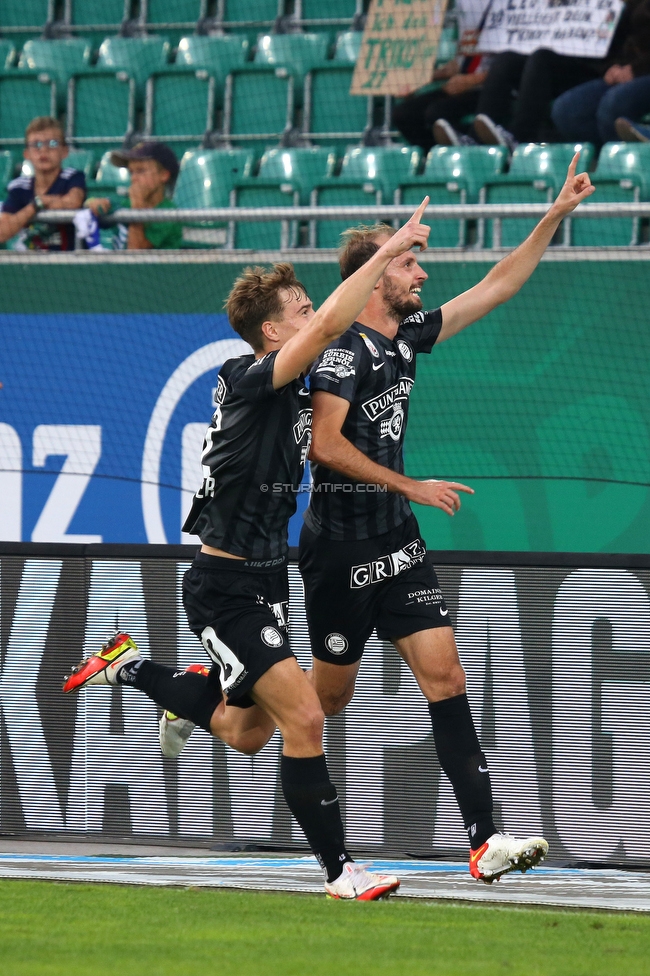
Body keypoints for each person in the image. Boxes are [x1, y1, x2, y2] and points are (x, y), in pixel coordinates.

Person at [63, 201, 431, 900]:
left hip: (268, 582)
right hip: (224, 586)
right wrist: (385, 258)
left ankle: (131, 666)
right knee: (306, 718)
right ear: (272, 331)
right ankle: (341, 872)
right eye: (300, 310)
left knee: (244, 732)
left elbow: (340, 341)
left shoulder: (300, 386)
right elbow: (332, 327)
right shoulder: (249, 376)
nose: (315, 315)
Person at [298, 154, 593, 884]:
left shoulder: (404, 338)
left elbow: (495, 288)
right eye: (408, 265)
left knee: (447, 675)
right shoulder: (338, 354)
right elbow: (324, 447)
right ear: (375, 277)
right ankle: (214, 692)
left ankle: (484, 839)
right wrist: (413, 483)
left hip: (396, 542)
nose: (421, 277)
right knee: (321, 702)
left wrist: (552, 217)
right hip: (338, 553)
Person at [551, 0, 650, 146]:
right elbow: (617, 41)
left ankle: (628, 163)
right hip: (631, 70)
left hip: (642, 71)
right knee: (567, 111)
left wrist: (636, 70)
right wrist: (613, 68)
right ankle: (607, 160)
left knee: (614, 104)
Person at [0, 116, 85, 250]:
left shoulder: (72, 178)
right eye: (36, 145)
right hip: (31, 266)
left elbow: (73, 202)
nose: (44, 150)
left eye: (52, 144)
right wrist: (36, 205)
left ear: (65, 151)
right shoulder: (19, 187)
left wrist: (33, 207)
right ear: (26, 154)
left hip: (69, 264)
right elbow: (2, 232)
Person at [86, 141, 182, 250]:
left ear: (164, 175)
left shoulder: (168, 213)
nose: (133, 178)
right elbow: (94, 205)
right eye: (131, 172)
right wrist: (92, 202)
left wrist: (137, 207)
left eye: (141, 171)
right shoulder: (127, 203)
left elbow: (135, 253)